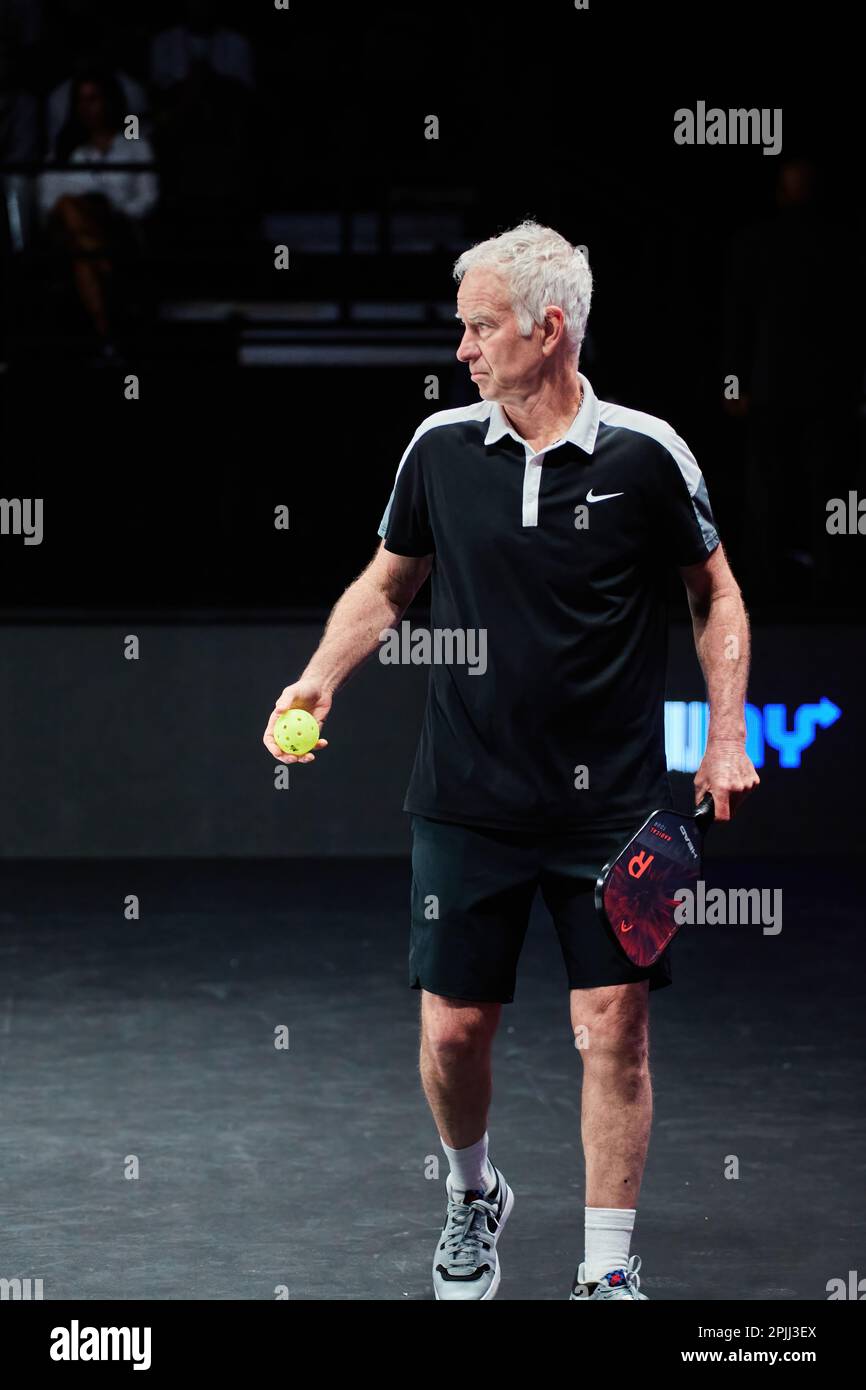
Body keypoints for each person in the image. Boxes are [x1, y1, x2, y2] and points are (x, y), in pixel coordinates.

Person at [262, 220, 759, 1301]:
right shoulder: (438, 449)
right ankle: (471, 1191)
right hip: (467, 794)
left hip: (616, 809)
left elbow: (712, 591)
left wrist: (726, 732)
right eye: (460, 328)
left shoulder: (647, 452)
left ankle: (606, 1266)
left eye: (480, 327)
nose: (463, 349)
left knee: (612, 1031)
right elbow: (389, 583)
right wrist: (317, 678)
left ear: (548, 330)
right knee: (451, 1033)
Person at [38, 69, 158, 353]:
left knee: (83, 256)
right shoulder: (65, 150)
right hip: (69, 233)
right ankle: (107, 276)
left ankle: (105, 335)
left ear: (110, 101)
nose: (87, 107)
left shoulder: (135, 146)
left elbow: (147, 199)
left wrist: (110, 207)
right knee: (70, 212)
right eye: (81, 100)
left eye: (94, 99)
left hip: (118, 229)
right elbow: (48, 201)